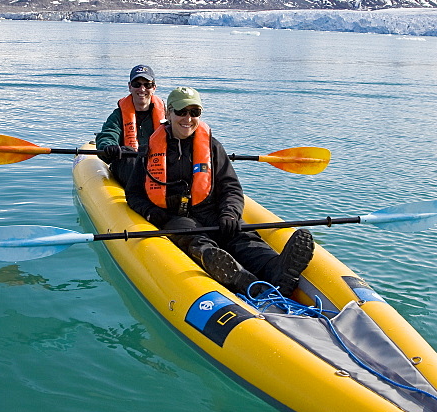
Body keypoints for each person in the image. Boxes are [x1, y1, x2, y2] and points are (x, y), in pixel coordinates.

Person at [125, 86, 314, 295]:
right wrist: (152, 213)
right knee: (193, 237)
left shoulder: (212, 147)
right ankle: (236, 276)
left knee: (242, 236)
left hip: (211, 211)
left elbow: (231, 187)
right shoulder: (150, 150)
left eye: (194, 112)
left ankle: (276, 270)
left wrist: (230, 213)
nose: (188, 118)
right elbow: (134, 194)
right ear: (168, 114)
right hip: (175, 216)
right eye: (181, 112)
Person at [95, 64, 166, 185]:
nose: (142, 89)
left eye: (147, 85)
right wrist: (109, 146)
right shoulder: (118, 116)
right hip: (129, 166)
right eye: (136, 84)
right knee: (127, 153)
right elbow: (108, 135)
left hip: (158, 165)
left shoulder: (168, 115)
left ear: (154, 87)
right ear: (130, 87)